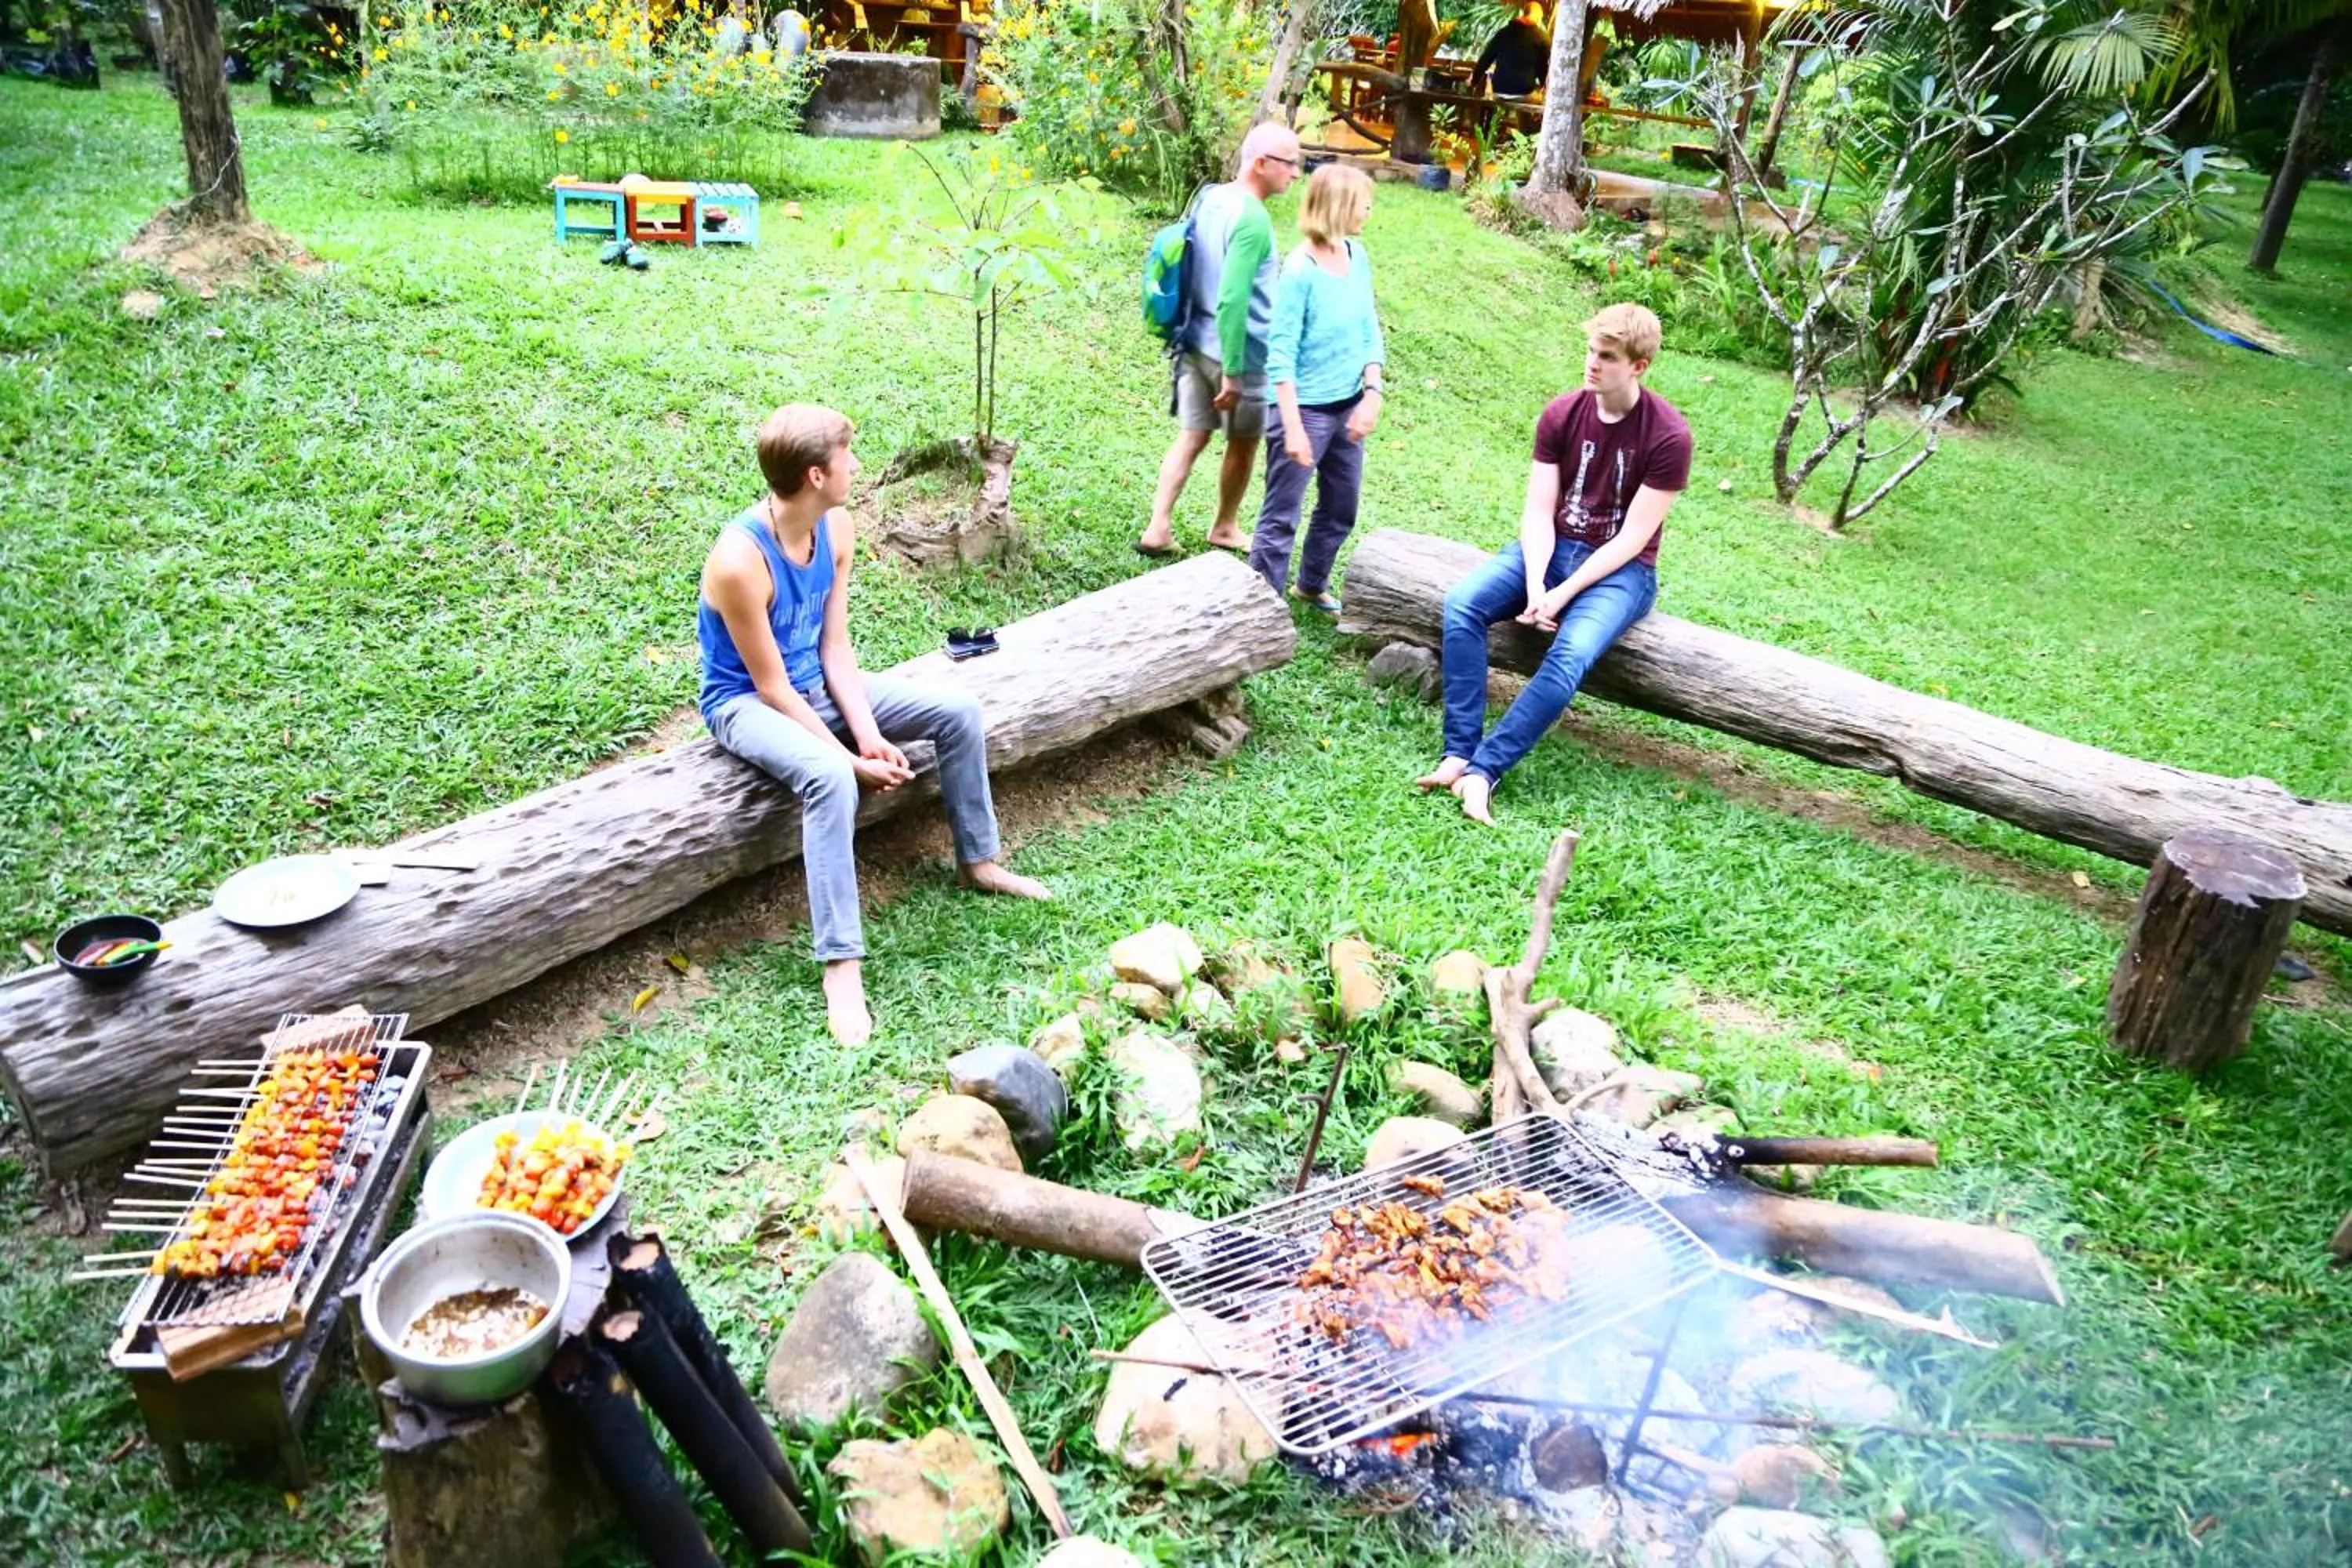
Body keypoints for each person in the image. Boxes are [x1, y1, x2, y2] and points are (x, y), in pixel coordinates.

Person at [699, 405, 1051, 1046]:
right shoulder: (739, 561)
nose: (856, 467)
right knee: (831, 779)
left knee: (957, 712)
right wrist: (850, 762)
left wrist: (866, 734)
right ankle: (842, 964)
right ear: (814, 474)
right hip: (745, 701)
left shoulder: (836, 528)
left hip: (817, 682)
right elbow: (771, 686)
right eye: (847, 458)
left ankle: (980, 861)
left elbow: (835, 647)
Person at [1416, 303, 1691, 822]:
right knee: (1462, 606)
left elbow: (1633, 538)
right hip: (1551, 547)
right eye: (1591, 350)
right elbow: (1539, 510)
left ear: (1639, 365)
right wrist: (1540, 580)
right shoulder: (1563, 413)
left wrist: (1562, 595)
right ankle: (1458, 753)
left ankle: (1484, 771)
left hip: (1621, 572)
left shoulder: (1669, 436)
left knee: (1569, 655)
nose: (1592, 364)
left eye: (1607, 357)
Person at [1136, 122, 1303, 559]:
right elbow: (1233, 300)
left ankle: (1158, 526)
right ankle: (1225, 526)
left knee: (1191, 436)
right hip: (1239, 355)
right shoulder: (1252, 219)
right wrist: (1232, 371)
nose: (1296, 173)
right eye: (1290, 163)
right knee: (1243, 444)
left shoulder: (1211, 196)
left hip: (1193, 340)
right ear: (1262, 163)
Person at [1248, 163, 1385, 613]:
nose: (1368, 209)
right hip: (1302, 409)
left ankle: (1310, 584)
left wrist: (1372, 392)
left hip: (1347, 403)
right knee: (1282, 514)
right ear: (1339, 206)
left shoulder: (1357, 255)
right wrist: (1292, 427)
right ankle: (1259, 607)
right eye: (1363, 201)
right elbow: (1280, 355)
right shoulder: (1299, 271)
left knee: (1342, 505)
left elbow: (1369, 327)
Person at [1469, 2, 1550, 100]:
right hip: (1524, 92)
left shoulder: (1503, 33)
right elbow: (1545, 67)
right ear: (1538, 17)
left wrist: (1474, 81)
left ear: (1524, 13)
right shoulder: (1542, 38)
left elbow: (1486, 59)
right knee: (1541, 102)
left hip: (1499, 90)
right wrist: (1543, 87)